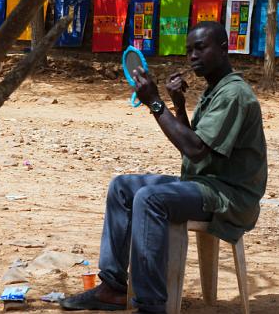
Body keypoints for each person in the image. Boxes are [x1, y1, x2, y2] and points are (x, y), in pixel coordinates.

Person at [61, 21, 267, 313]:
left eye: (200, 48)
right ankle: (113, 287)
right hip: (207, 184)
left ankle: (151, 304)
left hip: (230, 195)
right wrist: (178, 105)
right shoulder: (215, 90)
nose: (192, 56)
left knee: (150, 198)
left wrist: (155, 103)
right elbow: (194, 145)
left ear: (223, 49)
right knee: (122, 187)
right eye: (189, 50)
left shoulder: (234, 94)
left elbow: (194, 150)